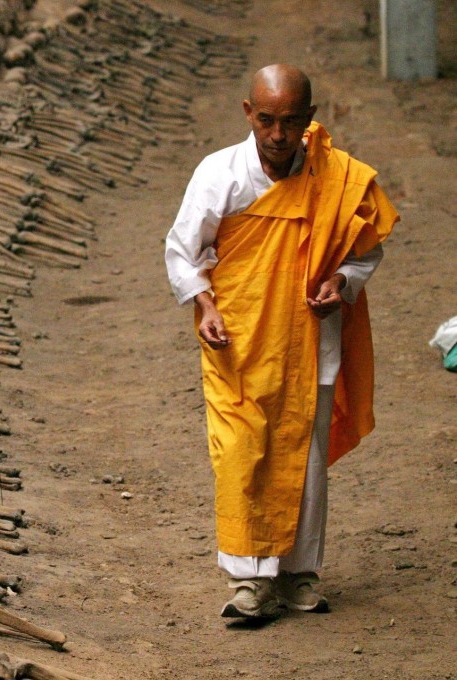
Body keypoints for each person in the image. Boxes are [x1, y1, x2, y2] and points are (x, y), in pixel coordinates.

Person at [165, 64, 399, 619]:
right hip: (239, 342)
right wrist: (205, 306)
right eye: (266, 120)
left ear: (309, 119)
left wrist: (340, 283)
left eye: (290, 122)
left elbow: (364, 249)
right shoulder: (219, 173)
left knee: (306, 454)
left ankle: (299, 573)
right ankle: (248, 579)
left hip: (311, 338)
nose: (277, 134)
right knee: (243, 453)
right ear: (249, 113)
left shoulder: (337, 178)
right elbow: (182, 250)